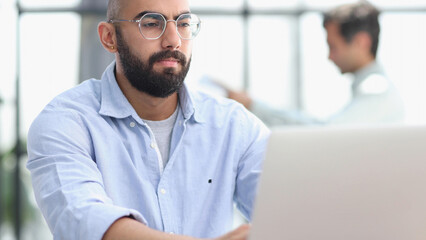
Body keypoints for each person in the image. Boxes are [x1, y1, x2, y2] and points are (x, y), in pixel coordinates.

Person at [26, 0, 269, 239]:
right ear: (109, 38)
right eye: (152, 23)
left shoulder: (235, 125)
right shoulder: (66, 122)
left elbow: (285, 209)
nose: (173, 40)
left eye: (183, 23)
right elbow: (84, 221)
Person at [228, 0, 404, 126]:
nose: (330, 57)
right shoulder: (372, 90)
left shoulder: (376, 89)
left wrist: (254, 106)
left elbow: (325, 136)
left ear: (360, 42)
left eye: (333, 46)